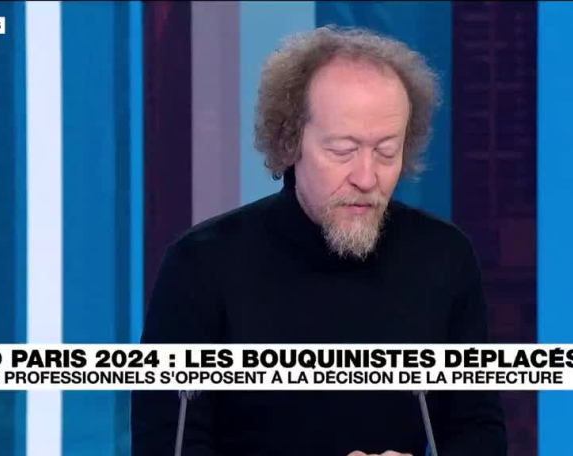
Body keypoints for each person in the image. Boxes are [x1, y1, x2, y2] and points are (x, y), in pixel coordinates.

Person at [131, 25, 507, 456]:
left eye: (386, 152)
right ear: (290, 141)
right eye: (343, 151)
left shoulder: (444, 257)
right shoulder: (201, 265)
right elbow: (166, 443)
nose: (367, 177)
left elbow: (479, 431)